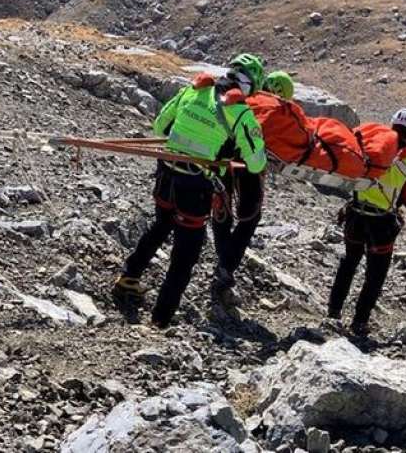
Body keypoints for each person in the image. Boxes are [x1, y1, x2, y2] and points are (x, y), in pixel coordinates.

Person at [112, 54, 268, 328]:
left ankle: (129, 277)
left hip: (166, 174)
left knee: (161, 224)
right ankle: (160, 320)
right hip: (195, 185)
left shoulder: (194, 89)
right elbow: (256, 163)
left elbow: (160, 125)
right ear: (249, 87)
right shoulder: (240, 111)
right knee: (185, 254)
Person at [327, 108, 406, 335]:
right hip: (382, 224)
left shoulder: (369, 149)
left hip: (355, 215)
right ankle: (359, 322)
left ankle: (333, 312)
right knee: (375, 275)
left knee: (349, 263)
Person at [210, 71, 296, 312]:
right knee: (249, 217)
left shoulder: (244, 103)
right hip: (250, 165)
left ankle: (223, 266)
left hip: (223, 158)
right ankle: (225, 267)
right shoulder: (281, 112)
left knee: (222, 211)